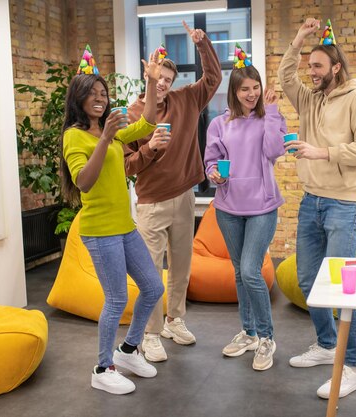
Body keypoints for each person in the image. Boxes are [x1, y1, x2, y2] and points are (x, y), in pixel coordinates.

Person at [277, 18, 356, 399]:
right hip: (311, 201)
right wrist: (300, 38)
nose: (311, 72)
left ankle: (353, 366)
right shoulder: (310, 97)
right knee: (308, 281)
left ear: (336, 67)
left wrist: (323, 152)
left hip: (344, 204)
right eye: (311, 66)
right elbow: (285, 76)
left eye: (318, 66)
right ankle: (325, 344)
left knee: (340, 289)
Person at [60, 47, 165, 395]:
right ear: (78, 98)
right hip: (99, 231)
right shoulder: (75, 136)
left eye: (103, 93)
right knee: (117, 300)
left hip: (124, 226)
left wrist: (151, 82)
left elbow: (148, 121)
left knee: (153, 287)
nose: (99, 99)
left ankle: (129, 350)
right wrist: (105, 138)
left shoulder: (114, 130)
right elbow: (83, 182)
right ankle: (102, 367)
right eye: (91, 94)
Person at [124, 20, 222, 362]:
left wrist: (203, 43)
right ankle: (149, 334)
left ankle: (174, 320)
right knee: (151, 272)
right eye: (158, 79)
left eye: (167, 79)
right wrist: (149, 147)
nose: (164, 84)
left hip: (183, 197)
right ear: (149, 78)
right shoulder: (133, 115)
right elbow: (126, 166)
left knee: (181, 266)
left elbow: (214, 79)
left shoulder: (187, 100)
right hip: (151, 203)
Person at [204, 47, 286, 371]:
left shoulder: (269, 117)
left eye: (256, 88)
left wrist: (274, 111)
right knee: (239, 272)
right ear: (234, 92)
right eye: (245, 89)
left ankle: (266, 337)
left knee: (251, 270)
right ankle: (248, 332)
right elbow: (211, 160)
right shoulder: (219, 124)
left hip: (263, 206)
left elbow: (273, 150)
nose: (251, 94)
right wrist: (211, 172)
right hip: (228, 207)